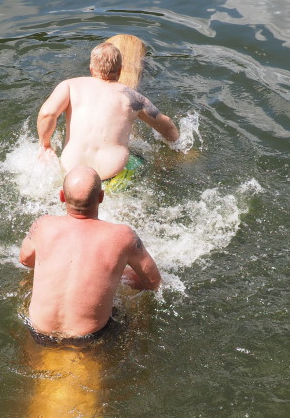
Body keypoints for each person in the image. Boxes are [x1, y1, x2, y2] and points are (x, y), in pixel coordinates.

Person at [19, 165, 161, 342]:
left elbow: (25, 260)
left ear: (61, 196)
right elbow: (153, 282)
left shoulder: (42, 225)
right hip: (89, 338)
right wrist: (118, 276)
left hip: (37, 331)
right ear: (101, 197)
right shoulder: (123, 236)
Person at [37, 42, 180, 182]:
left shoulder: (70, 86)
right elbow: (166, 126)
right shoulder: (134, 98)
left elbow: (47, 114)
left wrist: (45, 145)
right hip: (113, 177)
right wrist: (177, 148)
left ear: (91, 68)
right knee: (140, 158)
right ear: (120, 70)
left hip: (72, 174)